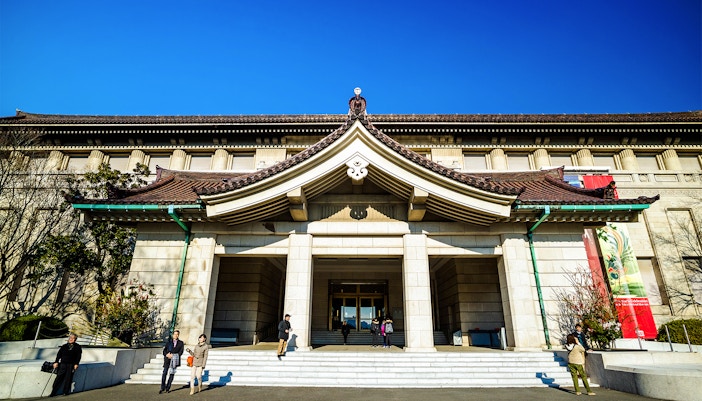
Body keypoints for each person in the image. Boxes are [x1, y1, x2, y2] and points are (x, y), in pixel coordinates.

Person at [49, 333, 82, 397]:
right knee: (58, 378)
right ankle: (53, 392)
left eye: (73, 338)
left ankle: (65, 392)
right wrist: (56, 362)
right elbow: (59, 354)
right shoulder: (64, 346)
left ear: (75, 340)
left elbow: (78, 356)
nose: (71, 339)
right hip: (63, 364)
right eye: (70, 338)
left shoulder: (77, 347)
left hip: (71, 365)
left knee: (68, 378)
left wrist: (76, 364)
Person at [160, 330, 185, 394]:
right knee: (164, 373)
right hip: (167, 359)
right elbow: (164, 350)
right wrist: (167, 354)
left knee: (171, 374)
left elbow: (181, 352)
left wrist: (174, 355)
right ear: (173, 335)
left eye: (177, 334)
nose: (176, 335)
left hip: (175, 360)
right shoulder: (169, 342)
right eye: (175, 334)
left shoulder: (181, 343)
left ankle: (168, 387)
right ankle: (162, 387)